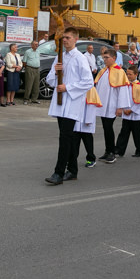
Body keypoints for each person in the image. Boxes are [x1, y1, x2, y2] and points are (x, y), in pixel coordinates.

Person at [44, 27, 94, 185]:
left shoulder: (80, 58)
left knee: (65, 137)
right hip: (60, 103)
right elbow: (50, 80)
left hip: (72, 103)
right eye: (63, 38)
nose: (64, 40)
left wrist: (68, 87)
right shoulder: (60, 57)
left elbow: (88, 82)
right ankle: (72, 170)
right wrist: (57, 71)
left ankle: (58, 173)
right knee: (69, 137)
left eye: (67, 38)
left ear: (75, 39)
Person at [95, 48, 131, 163]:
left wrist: (120, 106)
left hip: (112, 105)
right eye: (103, 58)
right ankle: (107, 150)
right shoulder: (104, 70)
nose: (104, 60)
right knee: (106, 127)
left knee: (109, 127)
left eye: (107, 58)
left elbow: (123, 91)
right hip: (103, 104)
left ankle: (112, 152)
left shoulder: (119, 72)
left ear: (114, 58)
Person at [115, 65, 140, 157]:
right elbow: (123, 98)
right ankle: (120, 150)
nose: (128, 76)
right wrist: (123, 108)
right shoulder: (125, 85)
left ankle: (139, 150)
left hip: (134, 114)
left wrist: (132, 110)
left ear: (136, 74)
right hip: (126, 112)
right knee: (124, 132)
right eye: (127, 74)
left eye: (130, 74)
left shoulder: (138, 86)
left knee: (137, 133)